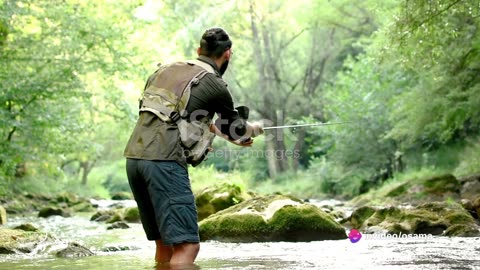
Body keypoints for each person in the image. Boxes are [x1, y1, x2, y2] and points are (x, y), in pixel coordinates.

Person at [123, 27, 263, 266]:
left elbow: (176, 117)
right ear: (227, 54)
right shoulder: (215, 84)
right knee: (188, 246)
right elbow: (237, 130)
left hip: (134, 159)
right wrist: (256, 128)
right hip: (164, 162)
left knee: (165, 245)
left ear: (199, 50)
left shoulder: (163, 71)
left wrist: (222, 133)